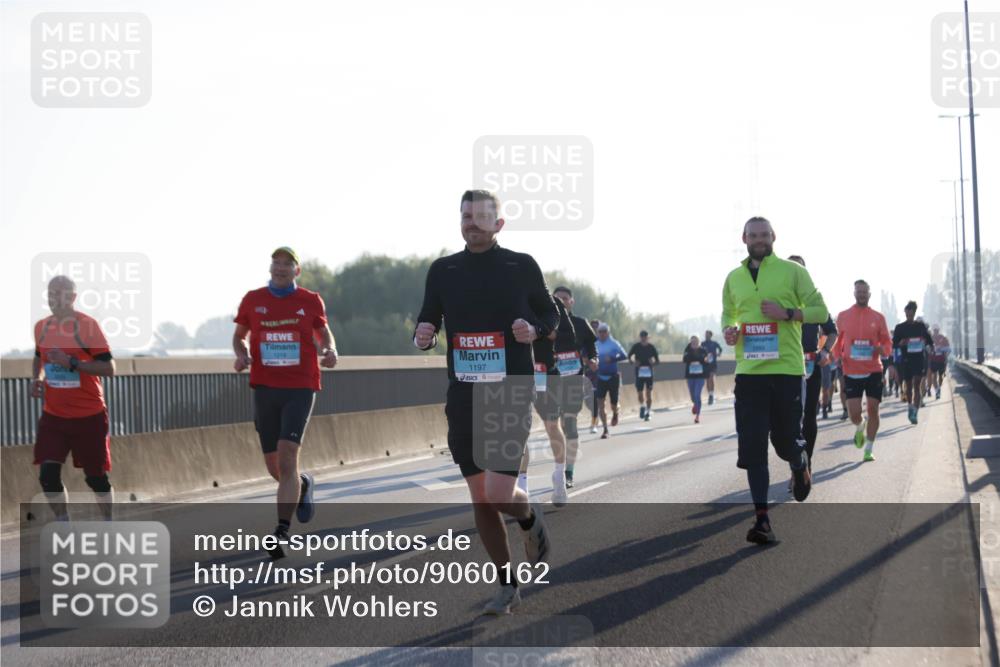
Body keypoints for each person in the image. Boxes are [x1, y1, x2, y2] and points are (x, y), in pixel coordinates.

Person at [413, 190, 557, 616]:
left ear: (499, 224)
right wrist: (424, 334)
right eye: (465, 216)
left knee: (497, 492)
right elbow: (429, 317)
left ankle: (528, 517)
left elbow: (551, 316)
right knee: (480, 498)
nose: (471, 223)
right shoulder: (444, 269)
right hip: (463, 392)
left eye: (480, 217)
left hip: (510, 388)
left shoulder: (521, 265)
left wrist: (531, 328)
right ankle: (507, 584)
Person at [722, 217, 828, 545]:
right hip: (749, 374)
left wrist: (788, 314)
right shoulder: (734, 278)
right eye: (753, 235)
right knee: (753, 448)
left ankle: (799, 461)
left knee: (784, 442)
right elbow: (729, 314)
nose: (758, 240)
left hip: (786, 371)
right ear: (744, 238)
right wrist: (730, 331)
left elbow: (820, 312)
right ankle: (762, 521)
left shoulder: (792, 272)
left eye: (764, 235)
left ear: (773, 237)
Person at [233, 247, 337, 559]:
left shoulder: (309, 300)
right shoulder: (253, 299)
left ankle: (280, 531)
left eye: (286, 264)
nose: (280, 269)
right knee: (274, 466)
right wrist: (241, 354)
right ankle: (303, 485)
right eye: (276, 263)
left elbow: (324, 333)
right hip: (265, 387)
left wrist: (330, 350)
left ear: (297, 270)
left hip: (300, 387)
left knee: (288, 455)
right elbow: (239, 336)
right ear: (270, 268)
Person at [31, 276, 117, 521]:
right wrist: (36, 378)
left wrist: (72, 362)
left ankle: (109, 522)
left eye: (60, 293)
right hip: (54, 416)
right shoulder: (42, 327)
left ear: (72, 298)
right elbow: (39, 356)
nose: (54, 299)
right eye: (50, 293)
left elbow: (109, 368)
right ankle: (64, 525)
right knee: (47, 475)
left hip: (89, 415)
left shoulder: (87, 327)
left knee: (96, 477)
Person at [519, 296, 576, 507]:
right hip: (517, 373)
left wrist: (539, 331)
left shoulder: (551, 302)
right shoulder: (509, 297)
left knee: (552, 425)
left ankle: (559, 478)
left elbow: (567, 336)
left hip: (546, 373)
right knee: (519, 430)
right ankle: (522, 488)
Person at [787, 255, 837, 479]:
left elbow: (832, 331)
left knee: (808, 418)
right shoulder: (780, 299)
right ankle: (797, 464)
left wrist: (825, 351)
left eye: (799, 268)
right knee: (788, 420)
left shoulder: (814, 300)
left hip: (810, 365)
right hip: (785, 366)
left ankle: (805, 466)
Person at [833, 280, 892, 462]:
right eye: (859, 292)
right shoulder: (843, 316)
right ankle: (860, 426)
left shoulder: (878, 317)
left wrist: (884, 350)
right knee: (854, 413)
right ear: (854, 293)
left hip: (874, 369)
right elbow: (838, 342)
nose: (862, 295)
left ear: (869, 294)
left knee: (873, 409)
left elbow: (887, 342)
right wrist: (837, 356)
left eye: (865, 292)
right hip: (851, 370)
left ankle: (869, 448)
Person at [552, 286, 598, 488]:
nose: (562, 301)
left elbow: (591, 345)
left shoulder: (580, 324)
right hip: (552, 381)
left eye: (565, 298)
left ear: (572, 301)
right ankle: (560, 467)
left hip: (574, 380)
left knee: (569, 423)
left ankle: (567, 472)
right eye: (558, 298)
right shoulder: (546, 324)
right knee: (556, 425)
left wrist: (593, 358)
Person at [892, 301, 934, 424]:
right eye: (907, 313)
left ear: (914, 313)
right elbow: (894, 343)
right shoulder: (900, 327)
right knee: (909, 386)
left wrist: (929, 346)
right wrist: (901, 343)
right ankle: (910, 406)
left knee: (917, 384)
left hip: (919, 359)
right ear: (905, 312)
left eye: (912, 313)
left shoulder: (920, 326)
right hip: (906, 360)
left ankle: (915, 411)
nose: (909, 315)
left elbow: (929, 340)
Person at [594, 323, 628, 439]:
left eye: (604, 331)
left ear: (608, 332)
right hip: (600, 377)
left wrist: (613, 358)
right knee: (600, 404)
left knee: (614, 404)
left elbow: (625, 355)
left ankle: (615, 413)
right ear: (598, 333)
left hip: (613, 377)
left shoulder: (614, 343)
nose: (602, 334)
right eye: (600, 332)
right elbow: (590, 357)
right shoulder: (595, 344)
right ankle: (605, 429)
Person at [628, 330, 660, 421]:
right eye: (642, 337)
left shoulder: (651, 347)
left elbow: (658, 361)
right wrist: (633, 362)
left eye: (645, 337)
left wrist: (653, 363)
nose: (643, 338)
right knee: (640, 393)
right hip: (639, 372)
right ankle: (642, 406)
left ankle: (648, 412)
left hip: (649, 373)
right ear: (640, 337)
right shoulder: (636, 346)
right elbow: (629, 356)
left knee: (648, 393)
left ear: (647, 337)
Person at [682, 335, 709, 423]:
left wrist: (705, 360)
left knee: (697, 395)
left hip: (700, 376)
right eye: (692, 342)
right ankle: (695, 404)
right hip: (690, 376)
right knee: (693, 396)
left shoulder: (703, 350)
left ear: (698, 342)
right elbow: (684, 360)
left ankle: (697, 416)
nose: (694, 343)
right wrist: (691, 359)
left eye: (695, 342)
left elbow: (707, 362)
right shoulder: (687, 349)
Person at [585, 317, 602, 434]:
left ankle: (594, 423)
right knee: (588, 401)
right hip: (587, 373)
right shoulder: (585, 340)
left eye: (597, 327)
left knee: (595, 398)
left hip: (599, 374)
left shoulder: (604, 341)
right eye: (593, 327)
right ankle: (596, 416)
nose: (595, 329)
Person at [701, 331, 724, 406]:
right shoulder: (702, 344)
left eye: (707, 335)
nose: (706, 336)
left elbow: (720, 349)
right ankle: (710, 395)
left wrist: (719, 353)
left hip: (713, 364)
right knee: (707, 380)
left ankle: (712, 394)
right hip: (705, 364)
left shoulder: (714, 343)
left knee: (711, 378)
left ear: (711, 335)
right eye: (705, 334)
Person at [929, 325, 951, 400]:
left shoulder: (943, 338)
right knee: (934, 377)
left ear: (939, 330)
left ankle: (939, 387)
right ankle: (937, 390)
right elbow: (927, 348)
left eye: (937, 330)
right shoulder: (930, 338)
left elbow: (948, 349)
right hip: (933, 360)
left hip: (941, 360)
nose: (935, 332)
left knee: (941, 377)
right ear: (933, 331)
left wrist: (945, 354)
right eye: (934, 330)